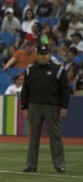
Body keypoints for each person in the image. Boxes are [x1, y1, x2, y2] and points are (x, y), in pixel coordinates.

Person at [21, 44, 70, 173]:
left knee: (55, 135)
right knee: (33, 136)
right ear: (37, 55)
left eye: (45, 54)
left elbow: (65, 90)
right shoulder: (30, 70)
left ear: (49, 55)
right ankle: (31, 164)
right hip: (34, 106)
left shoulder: (58, 70)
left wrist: (64, 106)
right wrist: (24, 107)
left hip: (52, 106)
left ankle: (59, 164)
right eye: (41, 54)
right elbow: (25, 90)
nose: (43, 57)